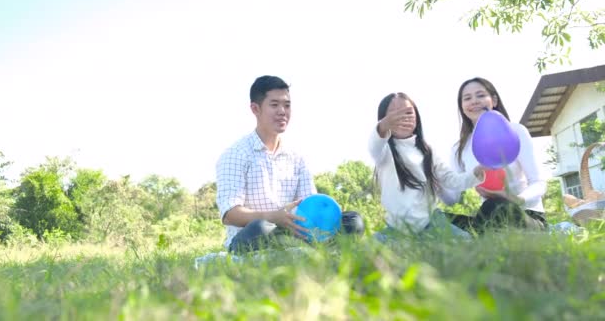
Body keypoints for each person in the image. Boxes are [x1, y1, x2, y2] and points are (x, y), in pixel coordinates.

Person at [216, 75, 365, 254]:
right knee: (262, 227)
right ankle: (288, 253)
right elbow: (230, 214)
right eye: (274, 105)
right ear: (255, 109)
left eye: (287, 105)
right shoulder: (236, 154)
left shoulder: (296, 157)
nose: (282, 111)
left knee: (352, 221)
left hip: (295, 233)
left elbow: (309, 204)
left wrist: (327, 216)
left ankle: (314, 252)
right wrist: (275, 217)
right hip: (255, 235)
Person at [368, 92, 485, 241]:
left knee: (466, 241)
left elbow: (452, 181)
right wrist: (383, 125)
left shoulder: (427, 151)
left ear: (416, 116)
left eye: (408, 112)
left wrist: (476, 172)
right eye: (394, 114)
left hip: (432, 222)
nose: (403, 117)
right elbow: (373, 144)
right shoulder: (383, 152)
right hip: (397, 228)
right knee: (373, 244)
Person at [440, 77, 548, 232]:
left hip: (526, 215)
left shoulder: (516, 131)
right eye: (467, 98)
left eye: (480, 95)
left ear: (494, 100)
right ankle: (479, 235)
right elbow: (452, 198)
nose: (474, 101)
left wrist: (516, 199)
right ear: (462, 106)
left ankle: (474, 239)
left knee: (497, 205)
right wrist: (433, 182)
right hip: (488, 216)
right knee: (434, 218)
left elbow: (539, 183)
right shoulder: (459, 148)